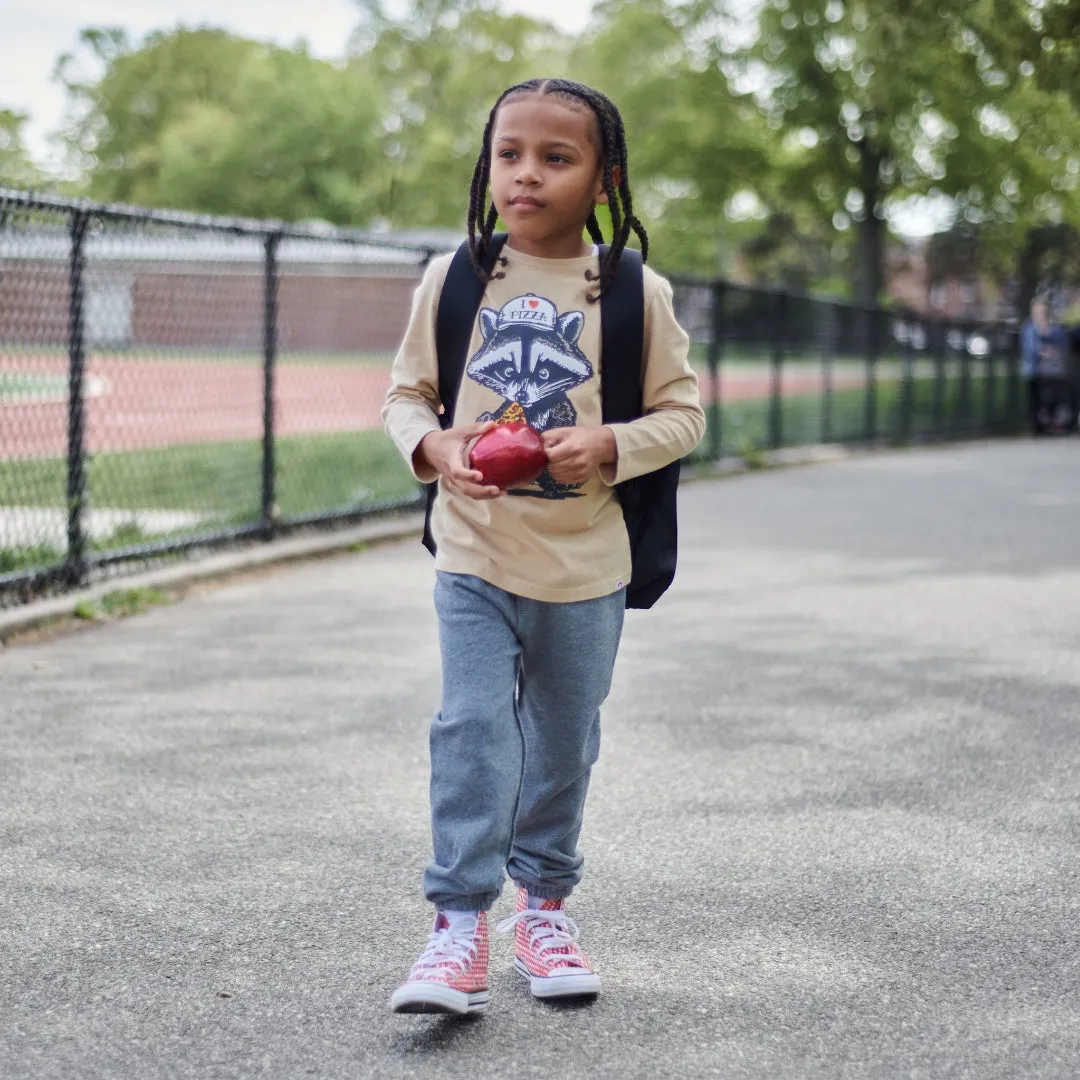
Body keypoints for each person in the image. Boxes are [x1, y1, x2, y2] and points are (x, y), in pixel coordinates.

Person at [381, 78, 705, 1016]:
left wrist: (611, 442)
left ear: (603, 180)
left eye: (556, 158)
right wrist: (434, 445)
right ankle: (455, 930)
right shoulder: (457, 276)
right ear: (488, 166)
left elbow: (683, 415)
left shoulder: (633, 290)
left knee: (562, 745)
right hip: (475, 553)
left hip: (587, 566)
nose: (526, 174)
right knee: (473, 733)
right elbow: (408, 394)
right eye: (509, 153)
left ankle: (546, 909)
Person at [1020, 298, 1071, 433]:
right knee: (1034, 399)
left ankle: (1047, 424)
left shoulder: (1052, 328)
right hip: (1034, 370)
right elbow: (1030, 348)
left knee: (1049, 398)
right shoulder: (1030, 328)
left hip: (1049, 371)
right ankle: (1035, 426)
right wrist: (1041, 350)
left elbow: (1060, 341)